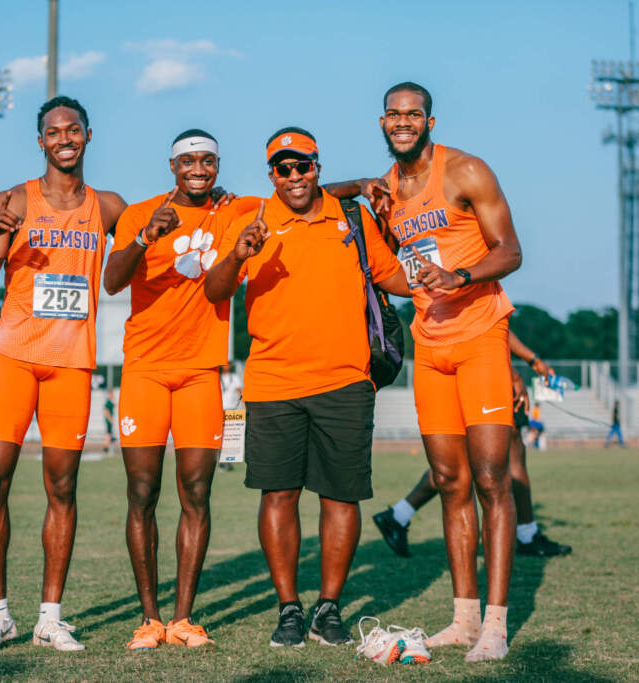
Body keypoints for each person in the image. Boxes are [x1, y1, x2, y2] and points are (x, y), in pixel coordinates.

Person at [326, 82, 523, 661]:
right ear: (382, 121)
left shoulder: (466, 171)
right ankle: (463, 620)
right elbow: (320, 190)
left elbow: (510, 250)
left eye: (413, 115)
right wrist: (362, 186)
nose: (403, 122)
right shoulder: (387, 188)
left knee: (491, 479)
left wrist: (461, 277)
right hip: (428, 344)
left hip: (481, 334)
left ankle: (496, 624)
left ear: (430, 121)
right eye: (394, 115)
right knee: (450, 481)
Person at [205, 127, 410, 648]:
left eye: (304, 166)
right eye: (283, 167)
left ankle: (329, 608)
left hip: (346, 380)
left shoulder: (352, 218)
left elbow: (396, 279)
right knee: (278, 495)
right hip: (273, 382)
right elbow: (214, 290)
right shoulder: (251, 218)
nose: (294, 176)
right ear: (270, 173)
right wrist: (236, 255)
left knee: (341, 497)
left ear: (317, 166)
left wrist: (454, 270)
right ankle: (289, 608)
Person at [0, 95, 128, 654]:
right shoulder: (11, 200)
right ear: (40, 141)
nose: (64, 138)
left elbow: (138, 255)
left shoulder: (107, 207)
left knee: (63, 487)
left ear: (88, 135)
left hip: (70, 365)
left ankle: (50, 617)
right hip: (13, 357)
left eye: (73, 129)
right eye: (54, 131)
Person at [103, 128, 256, 651]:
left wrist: (367, 183)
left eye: (208, 160)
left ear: (218, 165)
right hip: (145, 368)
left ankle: (184, 618)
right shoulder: (137, 213)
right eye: (188, 160)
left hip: (201, 372)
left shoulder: (235, 211)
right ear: (172, 166)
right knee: (142, 493)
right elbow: (112, 280)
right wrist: (147, 235)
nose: (199, 168)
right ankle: (149, 619)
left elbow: (297, 196)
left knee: (196, 493)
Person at [373, 331, 572, 560]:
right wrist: (518, 372)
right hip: (479, 368)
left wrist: (531, 361)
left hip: (458, 363)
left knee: (459, 463)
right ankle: (527, 534)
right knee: (504, 456)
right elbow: (491, 324)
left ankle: (399, 515)